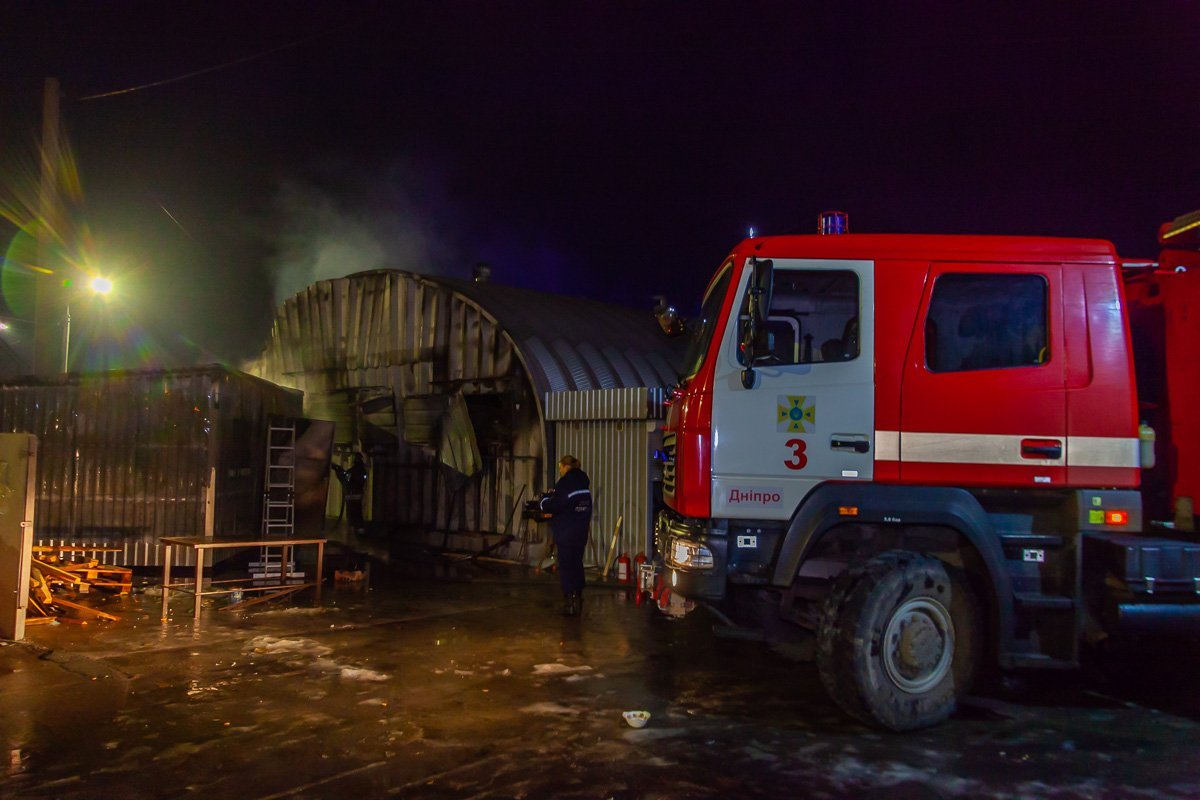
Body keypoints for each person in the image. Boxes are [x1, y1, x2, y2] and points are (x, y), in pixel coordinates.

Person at [538, 454, 592, 616]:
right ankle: (579, 594)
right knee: (577, 562)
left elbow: (554, 504)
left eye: (560, 467)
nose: (559, 470)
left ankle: (570, 600)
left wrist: (543, 501)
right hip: (580, 532)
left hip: (566, 532)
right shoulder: (583, 483)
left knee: (567, 565)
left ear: (566, 466)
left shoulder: (566, 483)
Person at [332, 452, 368, 533]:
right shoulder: (362, 471)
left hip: (352, 495)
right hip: (357, 495)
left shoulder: (354, 471)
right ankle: (358, 528)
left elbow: (345, 478)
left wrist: (338, 470)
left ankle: (354, 528)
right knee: (357, 511)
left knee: (353, 512)